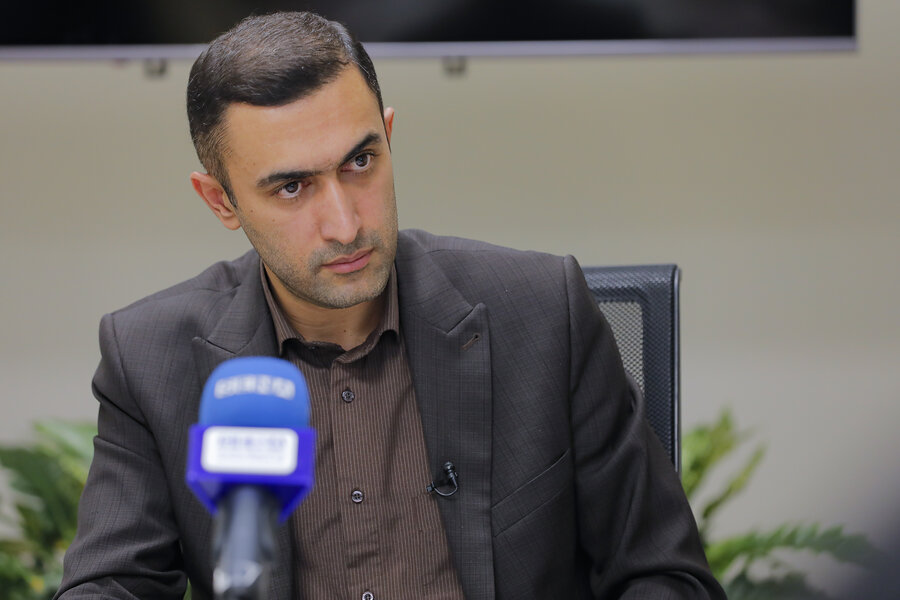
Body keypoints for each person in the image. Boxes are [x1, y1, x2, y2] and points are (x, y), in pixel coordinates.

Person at [57, 11, 724, 600]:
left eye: (359, 162)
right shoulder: (151, 358)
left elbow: (666, 576)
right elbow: (110, 584)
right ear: (220, 200)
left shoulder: (546, 314)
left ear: (388, 134)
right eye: (291, 188)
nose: (346, 224)